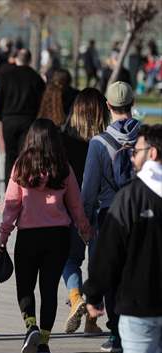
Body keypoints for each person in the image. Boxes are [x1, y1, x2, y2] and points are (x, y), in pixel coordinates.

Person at [0, 119, 92, 353]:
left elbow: (12, 204)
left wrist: (4, 234)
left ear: (31, 138)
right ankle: (45, 343)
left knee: (25, 286)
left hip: (29, 235)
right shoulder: (63, 167)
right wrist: (84, 229)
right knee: (49, 289)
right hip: (58, 236)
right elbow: (75, 203)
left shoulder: (21, 165)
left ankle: (31, 326)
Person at [85, 125, 162, 353]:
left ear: (152, 153)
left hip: (137, 303)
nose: (131, 157)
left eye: (137, 151)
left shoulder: (130, 197)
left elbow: (108, 253)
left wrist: (93, 293)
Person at [82, 81, 140, 353]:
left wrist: (83, 221)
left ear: (108, 106)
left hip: (109, 214)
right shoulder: (146, 137)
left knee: (112, 273)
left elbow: (89, 188)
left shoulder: (98, 143)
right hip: (142, 212)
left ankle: (116, 333)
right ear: (132, 102)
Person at [59, 88, 109, 336]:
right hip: (102, 209)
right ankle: (92, 319)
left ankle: (75, 296)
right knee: (98, 265)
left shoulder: (64, 140)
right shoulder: (106, 141)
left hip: (71, 207)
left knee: (70, 259)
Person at [0, 49, 45, 183]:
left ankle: (8, 186)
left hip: (9, 119)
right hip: (28, 120)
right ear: (29, 60)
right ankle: (23, 185)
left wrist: (0, 116)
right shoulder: (35, 77)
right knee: (25, 155)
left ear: (17, 58)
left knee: (9, 156)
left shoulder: (6, 76)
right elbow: (41, 101)